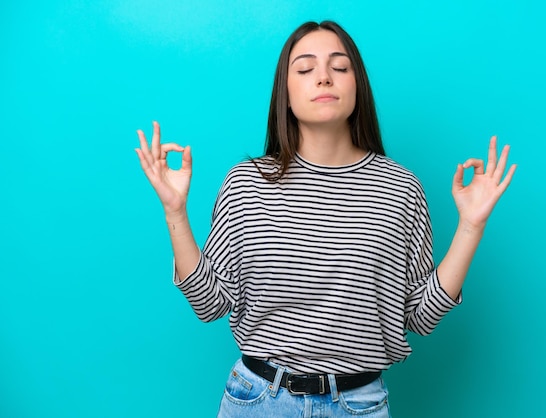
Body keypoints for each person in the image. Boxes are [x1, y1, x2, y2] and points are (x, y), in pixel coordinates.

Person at [135, 20, 516, 418]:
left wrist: (471, 227)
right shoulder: (246, 183)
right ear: (285, 93)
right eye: (304, 69)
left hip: (359, 405)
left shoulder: (400, 188)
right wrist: (174, 211)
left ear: (357, 86)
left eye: (340, 67)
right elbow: (210, 303)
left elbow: (418, 316)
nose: (323, 77)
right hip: (257, 401)